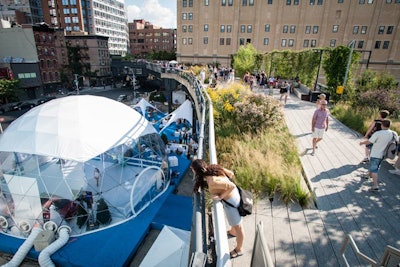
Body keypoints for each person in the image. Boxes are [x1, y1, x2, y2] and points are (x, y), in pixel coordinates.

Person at [191, 159, 245, 259]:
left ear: (196, 170)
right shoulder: (212, 168)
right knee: (234, 225)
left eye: (192, 169)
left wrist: (220, 196)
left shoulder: (212, 181)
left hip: (231, 202)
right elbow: (231, 174)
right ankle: (233, 232)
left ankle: (239, 249)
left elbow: (232, 186)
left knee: (239, 227)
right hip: (233, 197)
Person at [359, 119, 398, 191]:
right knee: (375, 165)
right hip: (384, 154)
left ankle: (375, 185)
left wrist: (362, 143)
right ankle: (368, 175)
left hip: (376, 153)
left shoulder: (378, 133)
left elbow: (369, 142)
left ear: (382, 125)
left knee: (374, 169)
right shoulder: (393, 133)